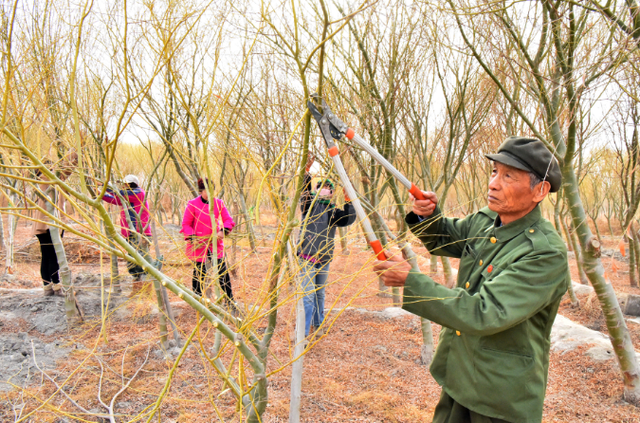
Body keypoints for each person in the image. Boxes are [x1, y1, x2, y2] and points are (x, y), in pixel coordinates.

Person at [373, 136, 570, 423]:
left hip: (499, 396)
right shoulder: (487, 219)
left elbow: (483, 312)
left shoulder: (544, 253)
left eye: (508, 176)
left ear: (540, 190)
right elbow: (444, 237)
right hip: (459, 375)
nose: (493, 183)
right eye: (494, 172)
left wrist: (411, 280)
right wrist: (427, 215)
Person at [298, 154, 356, 336]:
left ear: (332, 194)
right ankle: (303, 331)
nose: (324, 190)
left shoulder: (332, 211)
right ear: (315, 190)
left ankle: (318, 325)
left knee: (319, 294)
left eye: (328, 189)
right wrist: (306, 171)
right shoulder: (309, 206)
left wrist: (349, 199)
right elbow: (304, 191)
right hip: (306, 256)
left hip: (323, 258)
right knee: (307, 297)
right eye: (321, 187)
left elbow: (348, 218)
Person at [181, 178, 236, 303]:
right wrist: (192, 237)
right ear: (201, 191)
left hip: (214, 243)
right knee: (200, 271)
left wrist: (223, 230)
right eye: (207, 191)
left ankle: (230, 299)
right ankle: (197, 299)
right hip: (199, 243)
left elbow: (228, 220)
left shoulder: (219, 203)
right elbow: (186, 224)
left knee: (222, 270)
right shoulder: (192, 204)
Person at [32, 154, 76, 297]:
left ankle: (48, 287)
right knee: (53, 255)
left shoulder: (48, 180)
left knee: (47, 255)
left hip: (44, 224)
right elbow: (67, 169)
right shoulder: (46, 179)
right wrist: (75, 151)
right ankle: (56, 286)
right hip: (48, 224)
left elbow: (66, 170)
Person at [101, 174, 153, 284]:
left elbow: (118, 194)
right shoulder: (128, 197)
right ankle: (137, 279)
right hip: (132, 232)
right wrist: (101, 195)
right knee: (132, 257)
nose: (124, 186)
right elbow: (115, 200)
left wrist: (104, 185)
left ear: (130, 184)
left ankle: (142, 280)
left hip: (139, 232)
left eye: (125, 184)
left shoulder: (138, 193)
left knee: (139, 257)